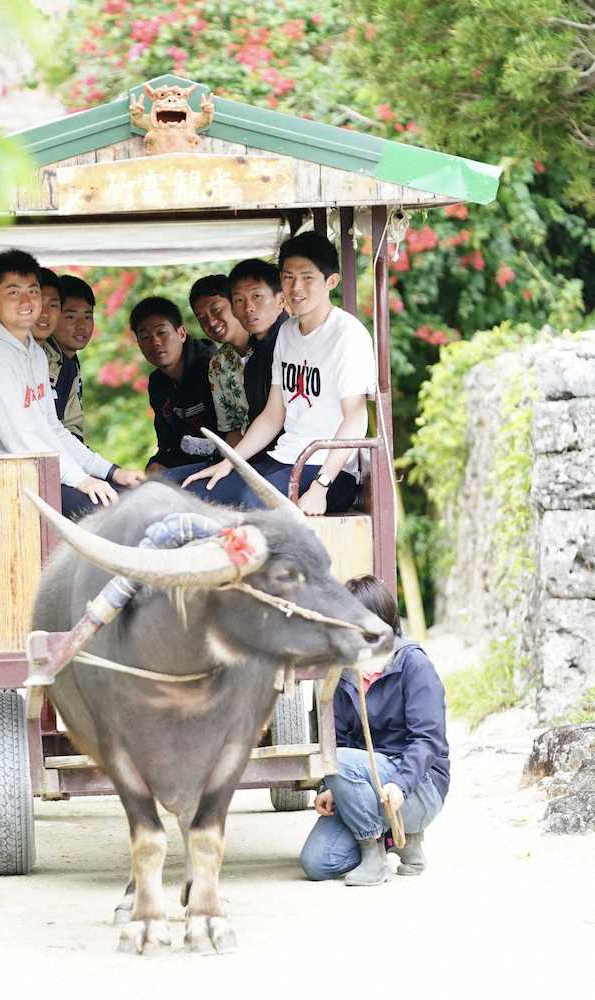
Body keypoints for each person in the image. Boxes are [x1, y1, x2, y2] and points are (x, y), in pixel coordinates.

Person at [183, 232, 375, 514]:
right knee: (195, 493)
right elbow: (273, 415)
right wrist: (229, 462)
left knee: (247, 506)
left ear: (330, 282)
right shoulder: (286, 332)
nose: (296, 287)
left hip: (328, 471)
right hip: (284, 458)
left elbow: (355, 419)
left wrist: (320, 488)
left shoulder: (347, 334)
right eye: (288, 277)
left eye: (307, 277)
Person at [0, 249, 144, 518]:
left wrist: (111, 471)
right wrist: (80, 479)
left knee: (130, 495)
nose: (27, 301)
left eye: (32, 291)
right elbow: (21, 439)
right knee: (112, 512)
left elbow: (53, 430)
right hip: (3, 484)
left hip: (37, 472)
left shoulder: (31, 351)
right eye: (13, 292)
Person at [299, 575, 449, 885]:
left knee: (338, 760)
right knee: (317, 862)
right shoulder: (344, 673)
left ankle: (375, 853)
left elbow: (427, 740)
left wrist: (401, 784)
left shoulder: (413, 665)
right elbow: (338, 739)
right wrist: (329, 788)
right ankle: (402, 840)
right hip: (366, 784)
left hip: (417, 786)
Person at [131, 296, 218, 474]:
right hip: (188, 463)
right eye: (145, 337)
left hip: (225, 460)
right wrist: (157, 463)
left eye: (161, 332)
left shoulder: (213, 367)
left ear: (181, 334)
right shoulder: (157, 384)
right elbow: (168, 443)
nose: (154, 342)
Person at [228, 258, 287, 450]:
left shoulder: (291, 344)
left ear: (281, 300)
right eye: (239, 300)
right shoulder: (254, 354)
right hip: (264, 453)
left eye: (257, 296)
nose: (248, 307)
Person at [189, 273, 252, 447]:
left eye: (216, 310)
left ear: (236, 303)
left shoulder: (271, 343)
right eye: (201, 318)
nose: (211, 322)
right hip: (248, 456)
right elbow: (232, 429)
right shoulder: (218, 364)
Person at [44, 274, 94, 441]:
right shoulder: (40, 357)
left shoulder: (70, 363)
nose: (82, 325)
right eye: (71, 317)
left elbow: (73, 427)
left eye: (87, 316)